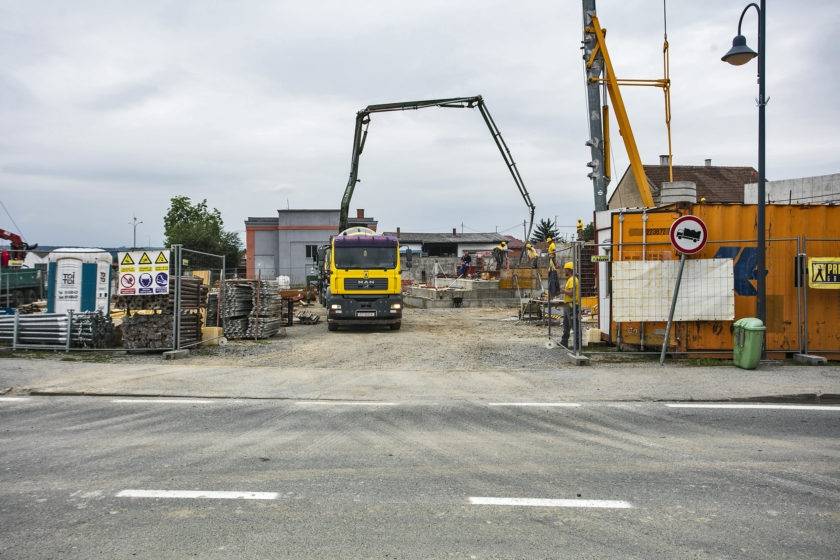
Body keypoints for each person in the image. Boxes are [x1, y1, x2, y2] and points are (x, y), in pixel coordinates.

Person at [560, 261, 580, 350]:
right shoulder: (571, 279)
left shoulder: (572, 280)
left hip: (572, 305)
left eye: (565, 269)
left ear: (569, 270)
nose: (564, 271)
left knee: (574, 325)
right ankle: (564, 342)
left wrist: (562, 291)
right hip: (568, 305)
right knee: (566, 325)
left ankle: (577, 345)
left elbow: (571, 293)